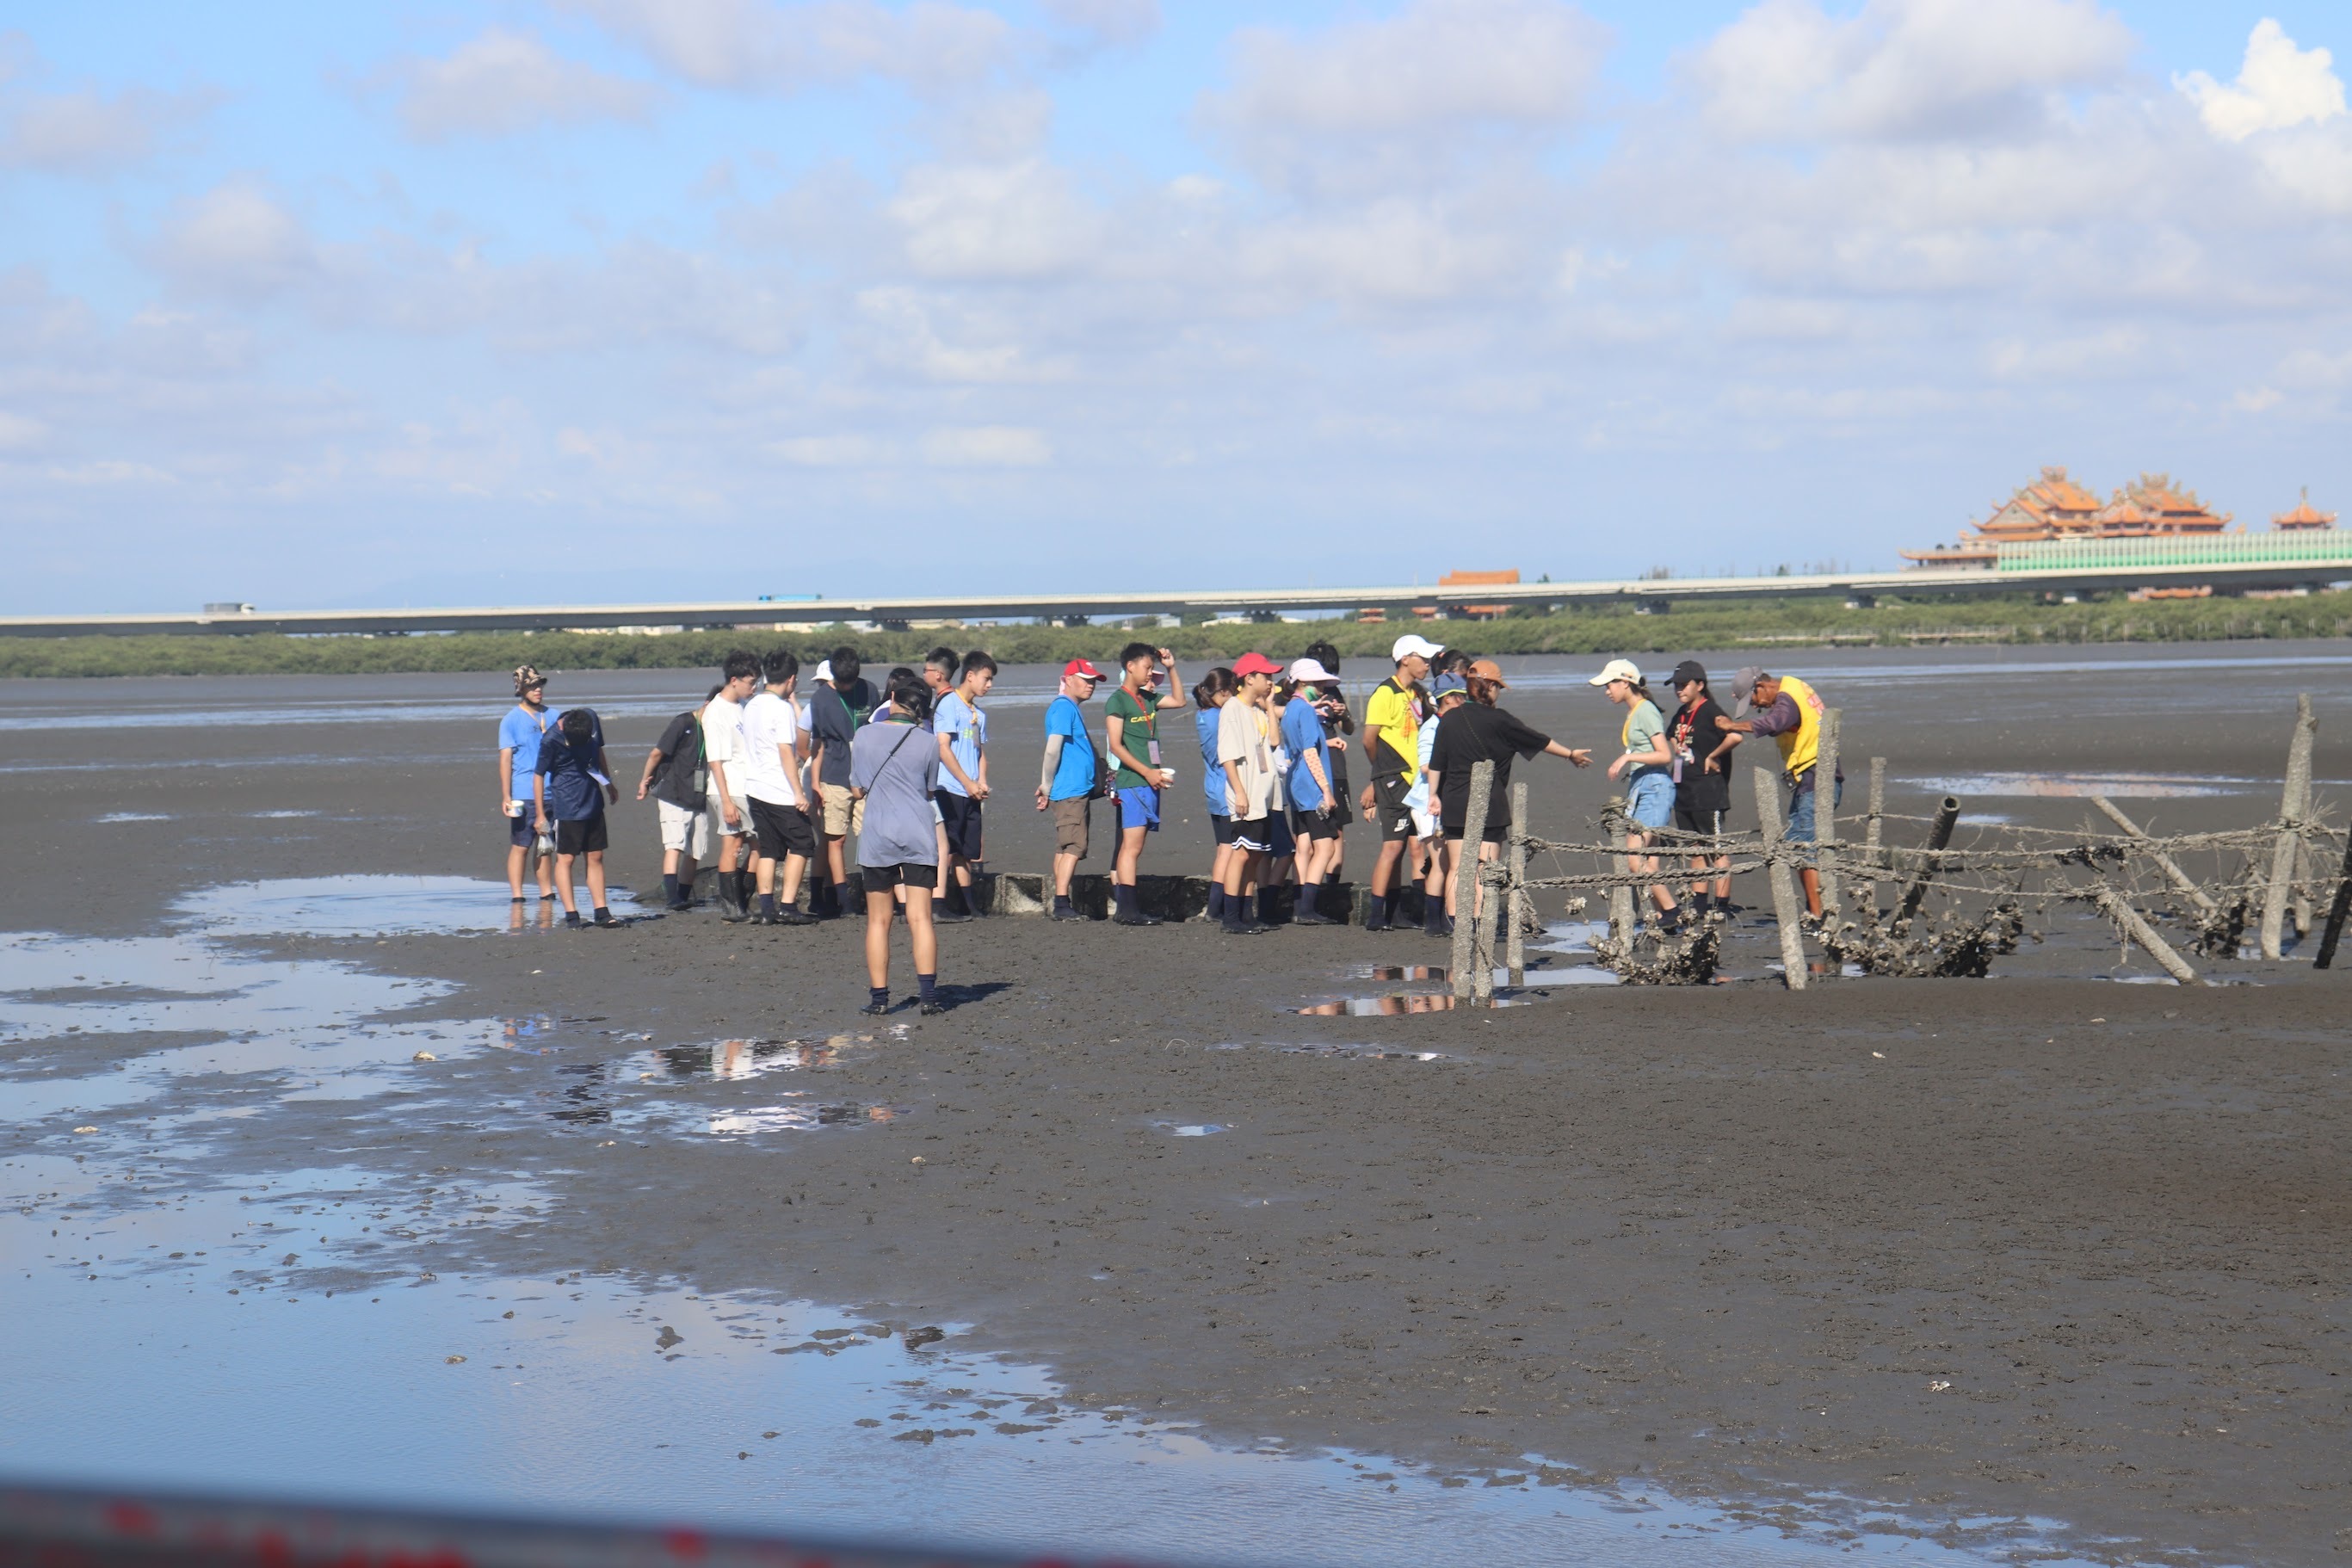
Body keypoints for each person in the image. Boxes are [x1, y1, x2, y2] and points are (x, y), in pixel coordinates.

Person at [1426, 659, 1591, 938]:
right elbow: (1538, 740)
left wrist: (1433, 795)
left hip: (1453, 801)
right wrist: (1570, 754)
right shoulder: (1501, 719)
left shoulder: (1450, 718)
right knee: (1484, 868)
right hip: (1490, 804)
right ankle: (1477, 925)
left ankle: (1456, 925)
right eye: (1498, 687)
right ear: (1490, 687)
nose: (1498, 692)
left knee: (1456, 867)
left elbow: (1436, 764)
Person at [849, 670, 947, 1015]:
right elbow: (929, 789)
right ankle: (929, 997)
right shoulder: (929, 741)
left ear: (891, 701)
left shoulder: (863, 735)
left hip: (877, 834)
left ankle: (879, 1000)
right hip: (918, 833)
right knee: (921, 918)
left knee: (879, 921)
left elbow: (857, 788)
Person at [1726, 667, 1842, 921]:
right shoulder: (1796, 687)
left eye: (1754, 700)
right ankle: (1815, 910)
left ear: (1762, 686)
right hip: (1812, 778)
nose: (1757, 707)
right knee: (1797, 841)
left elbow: (1774, 723)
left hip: (1817, 777)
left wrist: (1733, 725)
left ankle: (1817, 914)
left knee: (1803, 845)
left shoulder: (1786, 698)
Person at [1594, 659, 1682, 932]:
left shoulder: (1646, 711)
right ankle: (1662, 920)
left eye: (1609, 684)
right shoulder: (1635, 712)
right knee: (1649, 860)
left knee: (1635, 859)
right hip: (1642, 785)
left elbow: (1666, 754)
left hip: (1655, 786)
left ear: (1625, 682)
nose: (1607, 690)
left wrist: (1627, 757)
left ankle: (1672, 911)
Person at [1102, 642, 1187, 927]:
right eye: (1148, 667)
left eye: (1153, 667)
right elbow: (1115, 745)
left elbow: (1180, 701)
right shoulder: (1118, 700)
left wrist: (1171, 667)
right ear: (1130, 667)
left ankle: (1128, 907)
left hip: (1151, 780)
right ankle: (1127, 908)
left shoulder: (1148, 699)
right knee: (1131, 846)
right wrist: (1147, 772)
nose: (1151, 673)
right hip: (1132, 781)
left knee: (1136, 845)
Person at [1360, 634, 1441, 931]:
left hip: (1416, 779)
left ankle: (1399, 912)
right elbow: (1369, 739)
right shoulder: (1385, 693)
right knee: (1392, 847)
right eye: (1424, 658)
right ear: (1406, 659)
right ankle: (1376, 915)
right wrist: (1380, 773)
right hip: (1394, 777)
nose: (1428, 664)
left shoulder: (1417, 693)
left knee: (1415, 846)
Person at [739, 650, 817, 927]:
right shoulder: (781, 708)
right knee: (803, 843)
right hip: (778, 790)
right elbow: (786, 752)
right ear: (791, 679)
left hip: (755, 787)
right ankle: (788, 905)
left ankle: (767, 908)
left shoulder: (751, 705)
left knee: (769, 848)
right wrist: (798, 793)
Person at [531, 707, 620, 928]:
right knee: (566, 859)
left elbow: (597, 753)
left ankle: (602, 912)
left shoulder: (589, 720)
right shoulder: (550, 740)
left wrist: (608, 783)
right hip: (567, 806)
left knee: (595, 856)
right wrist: (541, 813)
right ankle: (572, 915)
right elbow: (539, 775)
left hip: (592, 801)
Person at [1216, 652, 1285, 935]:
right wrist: (1240, 793)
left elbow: (1274, 741)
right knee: (1242, 853)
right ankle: (1230, 916)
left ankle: (1246, 912)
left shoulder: (1256, 711)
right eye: (1266, 676)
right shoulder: (1232, 708)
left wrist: (1268, 706)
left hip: (1265, 794)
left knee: (1256, 855)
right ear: (1249, 678)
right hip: (1246, 794)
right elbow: (1227, 757)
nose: (1270, 681)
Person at [807, 648, 878, 920]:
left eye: (852, 684)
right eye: (843, 684)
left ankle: (875, 894)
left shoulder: (869, 690)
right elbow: (818, 744)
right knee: (835, 839)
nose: (848, 688)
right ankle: (844, 900)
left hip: (867, 776)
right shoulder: (821, 699)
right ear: (833, 676)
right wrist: (815, 783)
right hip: (834, 778)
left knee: (871, 836)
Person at [1036, 657, 1108, 921]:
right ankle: (1062, 903)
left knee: (1064, 846)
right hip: (1070, 791)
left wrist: (1046, 786)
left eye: (1093, 681)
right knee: (1074, 847)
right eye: (1086, 680)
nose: (1091, 686)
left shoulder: (1068, 708)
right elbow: (1052, 748)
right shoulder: (1064, 708)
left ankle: (1060, 900)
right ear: (1067, 680)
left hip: (1070, 789)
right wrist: (1045, 784)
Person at [1666, 660, 1741, 916]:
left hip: (1708, 792)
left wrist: (1713, 756)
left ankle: (1721, 905)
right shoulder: (1682, 712)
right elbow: (1672, 734)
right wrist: (1676, 743)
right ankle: (1699, 905)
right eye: (1676, 686)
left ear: (1700, 685)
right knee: (1694, 850)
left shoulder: (1711, 711)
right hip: (1683, 790)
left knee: (1715, 849)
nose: (1679, 690)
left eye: (1684, 685)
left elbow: (1735, 735)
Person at [636, 683, 719, 911]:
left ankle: (682, 895)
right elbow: (657, 753)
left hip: (698, 797)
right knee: (675, 845)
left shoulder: (715, 730)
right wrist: (645, 781)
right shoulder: (683, 722)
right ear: (707, 704)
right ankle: (672, 898)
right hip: (673, 794)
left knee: (697, 850)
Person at [1281, 656, 1344, 924]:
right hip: (1311, 787)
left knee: (1304, 843)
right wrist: (1326, 791)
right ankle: (1306, 908)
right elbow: (1309, 752)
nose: (1322, 688)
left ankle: (1300, 905)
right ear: (1304, 682)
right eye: (1318, 683)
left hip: (1296, 785)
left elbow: (1293, 750)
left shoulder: (1291, 708)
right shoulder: (1305, 711)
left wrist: (1328, 745)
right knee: (1326, 847)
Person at [932, 651, 995, 922]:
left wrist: (980, 782)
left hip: (971, 792)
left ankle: (969, 905)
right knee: (946, 849)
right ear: (970, 676)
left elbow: (979, 752)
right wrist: (966, 782)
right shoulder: (949, 705)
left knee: (967, 853)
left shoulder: (978, 714)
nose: (989, 685)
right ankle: (937, 904)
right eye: (986, 678)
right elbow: (943, 748)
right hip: (949, 788)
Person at [701, 651, 762, 922]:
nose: (754, 687)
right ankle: (732, 906)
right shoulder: (716, 711)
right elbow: (715, 761)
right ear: (734, 680)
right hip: (728, 787)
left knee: (760, 843)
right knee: (733, 844)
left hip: (746, 785)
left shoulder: (742, 706)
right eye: (751, 682)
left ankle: (742, 900)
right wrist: (726, 801)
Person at [497, 666, 557, 905]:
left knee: (546, 843)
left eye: (539, 684)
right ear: (522, 690)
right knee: (521, 844)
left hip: (553, 789)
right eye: (532, 686)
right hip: (523, 792)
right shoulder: (510, 720)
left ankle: (546, 891)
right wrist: (506, 795)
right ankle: (517, 894)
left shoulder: (554, 715)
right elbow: (505, 758)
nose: (538, 689)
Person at [1409, 673, 1466, 923]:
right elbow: (1424, 766)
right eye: (1462, 696)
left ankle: (1441, 918)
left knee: (1445, 861)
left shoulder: (1450, 723)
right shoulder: (1432, 726)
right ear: (1449, 699)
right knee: (1441, 862)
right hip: (1426, 804)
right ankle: (1434, 921)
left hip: (1440, 802)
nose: (1465, 701)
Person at [1301, 639, 1356, 880]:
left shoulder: (1333, 691)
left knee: (1337, 828)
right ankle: (1307, 888)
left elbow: (1350, 729)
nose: (1327, 680)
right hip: (1308, 765)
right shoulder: (1296, 693)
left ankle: (1332, 884)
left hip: (1335, 766)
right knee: (1309, 831)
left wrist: (1344, 716)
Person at [1193, 666, 1240, 924]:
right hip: (1225, 789)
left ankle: (1215, 908)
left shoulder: (1203, 714)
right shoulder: (1218, 717)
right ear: (1223, 692)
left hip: (1213, 787)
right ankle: (1215, 909)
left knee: (1223, 847)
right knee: (1227, 849)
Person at [922, 647, 961, 911]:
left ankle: (938, 901)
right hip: (943, 783)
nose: (922, 674)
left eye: (925, 670)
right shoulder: (950, 700)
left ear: (937, 673)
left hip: (944, 784)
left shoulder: (946, 702)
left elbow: (942, 746)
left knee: (943, 843)